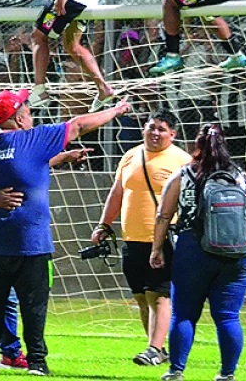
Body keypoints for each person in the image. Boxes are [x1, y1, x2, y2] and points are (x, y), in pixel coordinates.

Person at [0, 88, 131, 376]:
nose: (32, 116)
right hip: (30, 244)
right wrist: (116, 110)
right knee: (34, 307)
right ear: (20, 119)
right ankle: (36, 362)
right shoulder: (33, 139)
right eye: (28, 111)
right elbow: (78, 125)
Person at [150, 123, 246, 381]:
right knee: (228, 316)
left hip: (193, 248)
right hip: (237, 251)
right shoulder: (240, 175)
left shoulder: (184, 175)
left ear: (196, 145)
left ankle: (176, 370)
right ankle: (227, 373)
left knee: (184, 313)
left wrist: (157, 248)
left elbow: (164, 215)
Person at [91, 109, 191, 367]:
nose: (155, 133)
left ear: (172, 134)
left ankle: (154, 348)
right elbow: (117, 193)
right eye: (151, 127)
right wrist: (103, 224)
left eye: (161, 129)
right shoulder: (130, 156)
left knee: (159, 295)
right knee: (141, 296)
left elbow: (191, 201)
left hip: (164, 239)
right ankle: (156, 348)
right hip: (132, 238)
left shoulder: (183, 161)